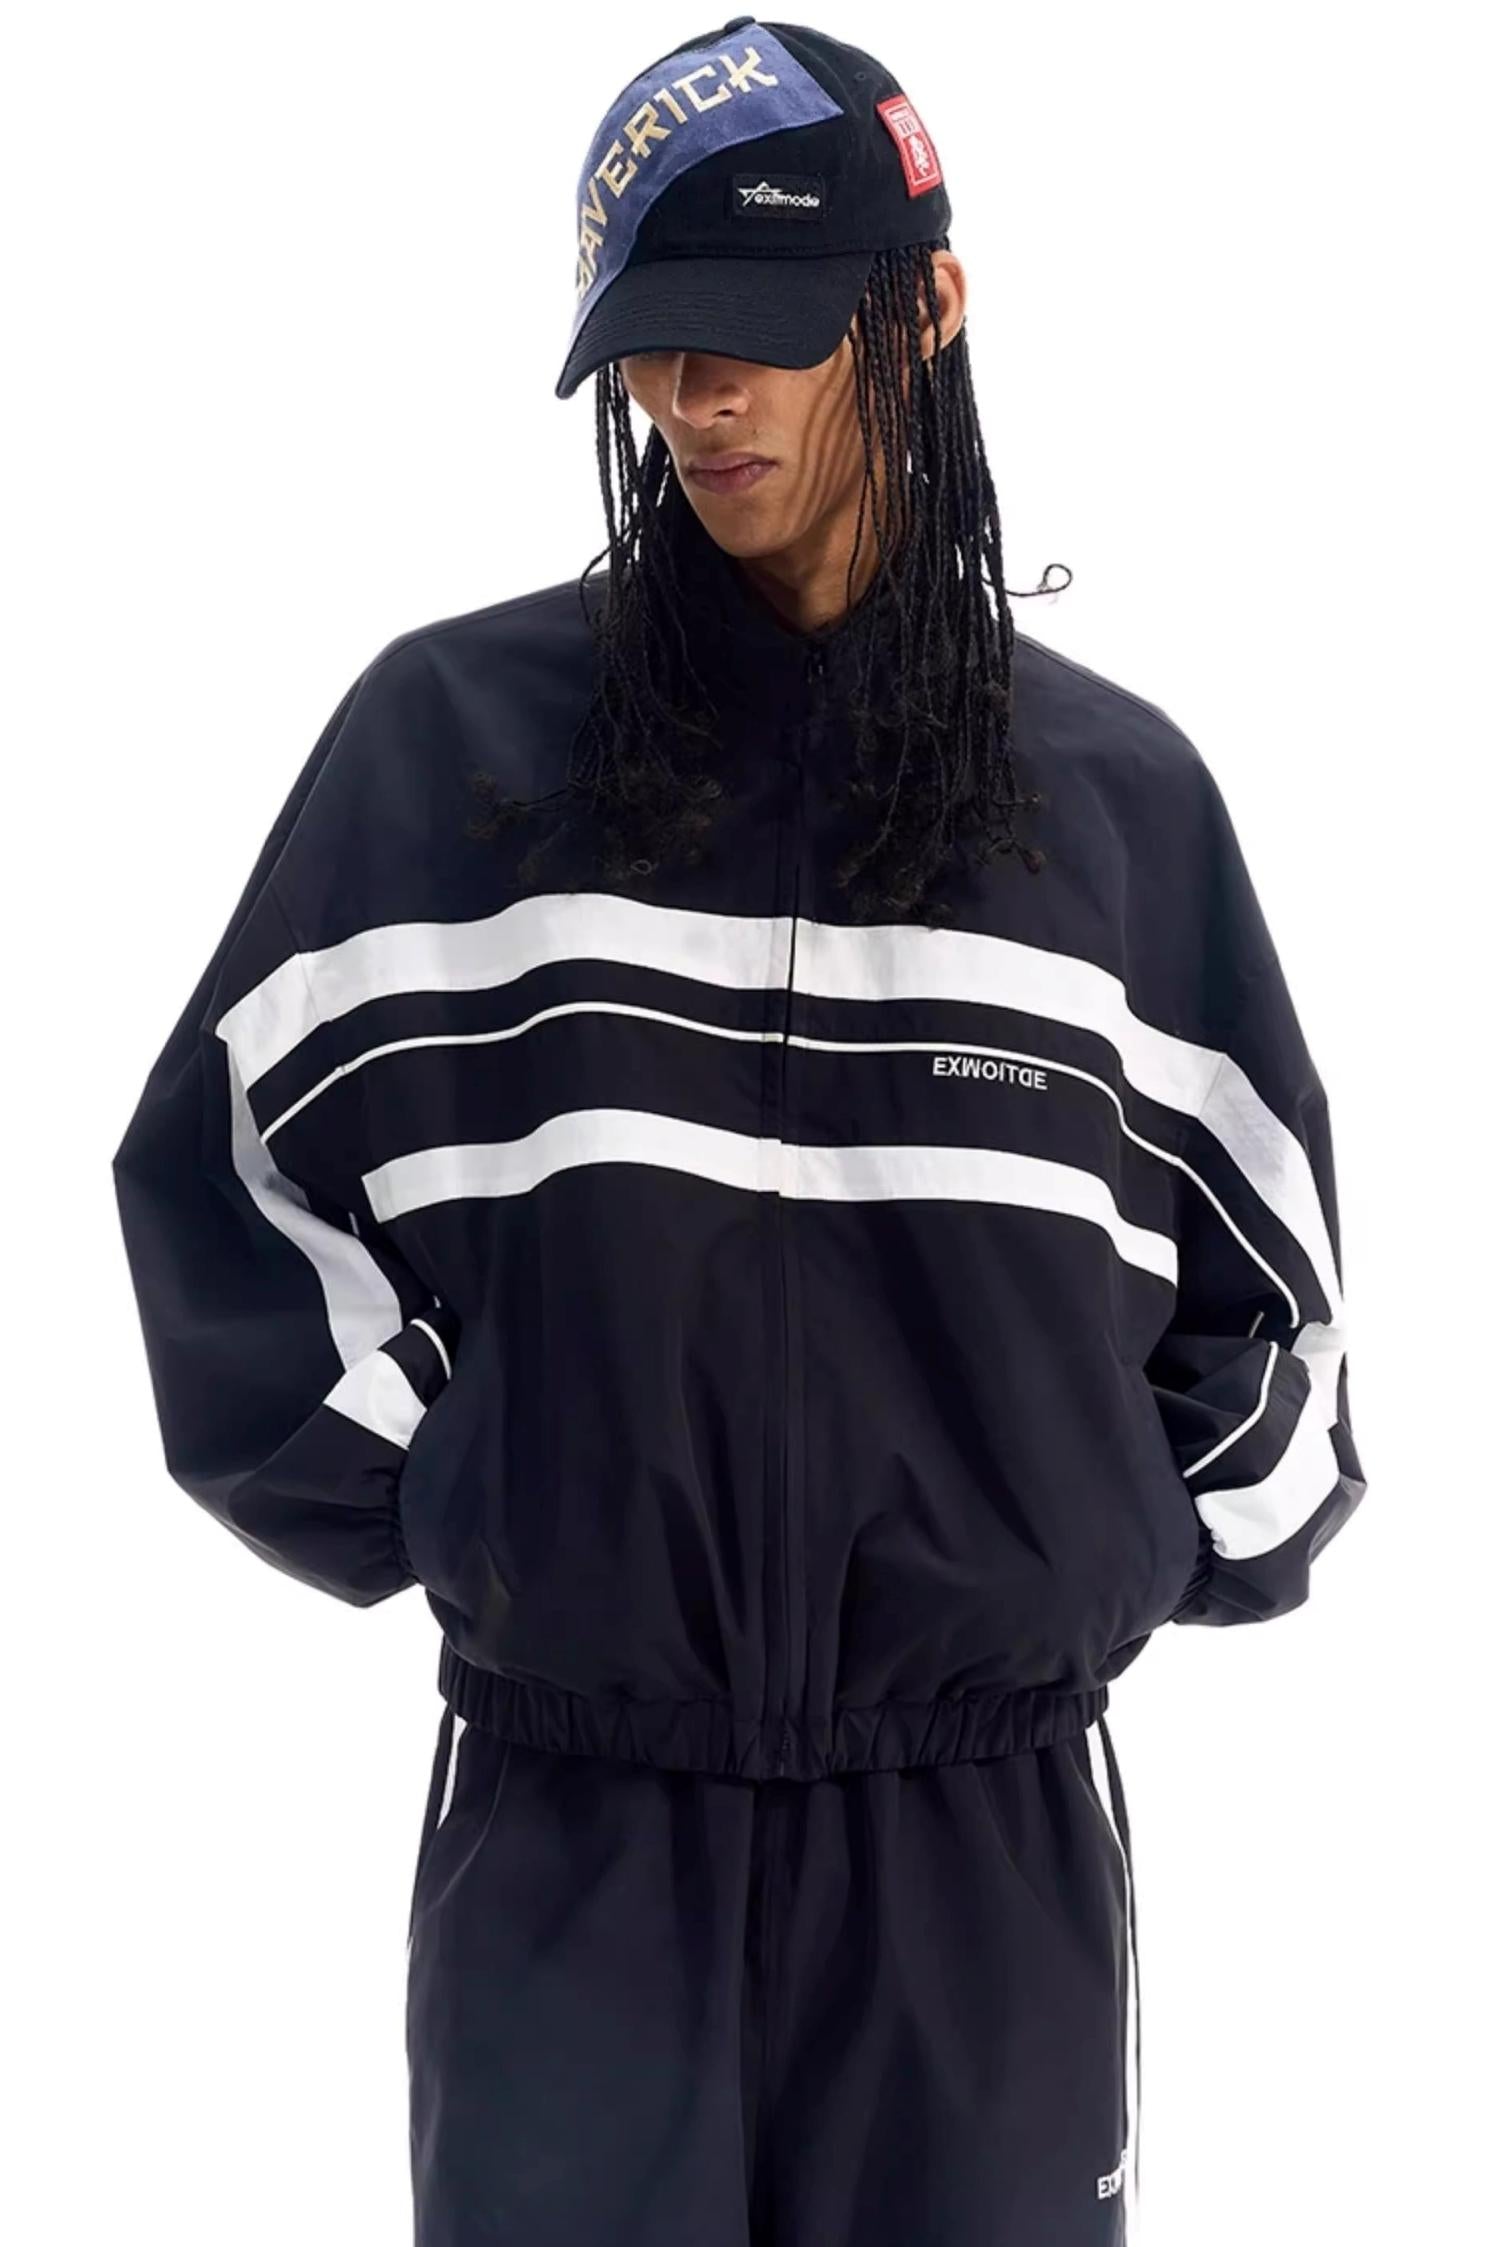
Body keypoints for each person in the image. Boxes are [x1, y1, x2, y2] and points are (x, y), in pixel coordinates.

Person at [109, 18, 1367, 2243]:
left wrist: (1095, 1540)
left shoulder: (1112, 808)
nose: (695, 400)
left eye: (758, 334)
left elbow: (1280, 1319)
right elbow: (231, 1178)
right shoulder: (452, 748)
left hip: (972, 1857)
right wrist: (478, 1493)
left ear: (926, 306)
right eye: (651, 346)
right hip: (575, 1837)